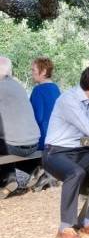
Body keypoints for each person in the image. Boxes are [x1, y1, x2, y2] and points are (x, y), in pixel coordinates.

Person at [43, 65, 89, 238]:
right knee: (76, 173)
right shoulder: (70, 101)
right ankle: (65, 228)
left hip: (77, 150)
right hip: (55, 152)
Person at [0, 56, 45, 199]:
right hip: (33, 143)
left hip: (15, 146)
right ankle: (32, 168)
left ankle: (9, 177)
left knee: (6, 141)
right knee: (10, 137)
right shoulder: (17, 85)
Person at [29, 57, 61, 151]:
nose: (32, 73)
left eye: (33, 70)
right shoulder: (56, 88)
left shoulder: (38, 90)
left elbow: (36, 117)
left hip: (42, 140)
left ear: (43, 71)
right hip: (57, 139)